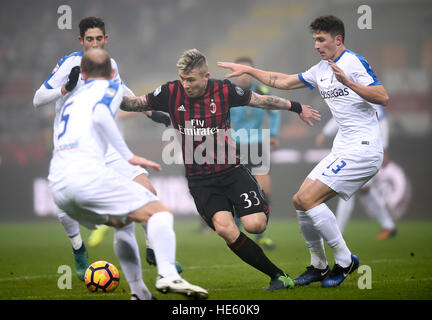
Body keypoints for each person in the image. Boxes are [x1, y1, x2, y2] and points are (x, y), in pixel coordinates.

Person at [120, 48, 321, 290]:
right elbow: (133, 104)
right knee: (227, 230)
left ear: (205, 76)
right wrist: (107, 86)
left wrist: (296, 107)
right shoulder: (170, 91)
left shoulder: (223, 90)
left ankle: (257, 201)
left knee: (255, 225)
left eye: (191, 80)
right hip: (200, 181)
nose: (185, 85)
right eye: (183, 79)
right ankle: (278, 276)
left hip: (232, 171)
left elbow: (262, 101)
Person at [218, 15, 390, 287]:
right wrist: (249, 71)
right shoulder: (320, 69)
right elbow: (283, 81)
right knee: (300, 201)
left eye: (321, 40)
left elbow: (382, 96)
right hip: (343, 148)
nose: (317, 45)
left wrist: (349, 83)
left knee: (309, 200)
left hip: (364, 149)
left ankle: (345, 260)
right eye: (314, 40)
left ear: (338, 39)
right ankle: (318, 266)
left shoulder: (353, 63)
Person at [32, 17, 179, 299]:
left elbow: (121, 92)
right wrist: (65, 88)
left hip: (105, 144)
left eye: (99, 39)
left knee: (147, 189)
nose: (95, 44)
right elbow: (38, 98)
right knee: (67, 208)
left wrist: (148, 111)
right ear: (81, 41)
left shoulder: (110, 66)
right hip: (74, 145)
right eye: (90, 39)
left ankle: (153, 251)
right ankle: (78, 250)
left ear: (106, 39)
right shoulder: (69, 64)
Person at [48, 48, 208, 299]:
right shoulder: (111, 88)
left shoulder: (71, 99)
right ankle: (168, 274)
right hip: (86, 176)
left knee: (123, 224)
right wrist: (129, 156)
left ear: (84, 76)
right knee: (160, 212)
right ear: (113, 73)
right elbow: (102, 116)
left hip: (59, 186)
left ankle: (139, 294)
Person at [315, 104, 397, 240]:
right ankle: (388, 225)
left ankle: (337, 232)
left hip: (365, 150)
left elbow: (382, 123)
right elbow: (341, 116)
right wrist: (325, 132)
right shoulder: (350, 96)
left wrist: (385, 148)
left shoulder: (370, 96)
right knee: (365, 189)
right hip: (352, 149)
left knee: (347, 189)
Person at [230, 56, 281, 250]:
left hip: (258, 144)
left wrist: (274, 134)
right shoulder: (230, 94)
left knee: (264, 191)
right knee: (236, 189)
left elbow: (275, 111)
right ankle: (237, 227)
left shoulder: (262, 92)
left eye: (247, 71)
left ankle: (261, 232)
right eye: (240, 72)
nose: (244, 76)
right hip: (235, 145)